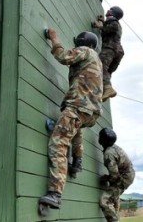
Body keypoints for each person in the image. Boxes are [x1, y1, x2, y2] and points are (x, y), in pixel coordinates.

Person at [39, 28, 103, 209]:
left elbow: (64, 57)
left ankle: (55, 194)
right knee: (75, 129)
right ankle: (78, 162)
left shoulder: (86, 51)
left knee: (58, 144)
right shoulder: (96, 60)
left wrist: (54, 38)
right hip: (89, 112)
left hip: (78, 106)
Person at [98, 128, 135, 222]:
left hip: (124, 178)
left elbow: (115, 176)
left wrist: (106, 179)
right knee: (114, 198)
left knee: (105, 201)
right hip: (128, 175)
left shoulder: (109, 154)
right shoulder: (114, 147)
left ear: (102, 140)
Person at [92, 6, 124, 100]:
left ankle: (108, 89)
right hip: (118, 52)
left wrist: (99, 25)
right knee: (107, 73)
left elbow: (106, 29)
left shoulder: (114, 23)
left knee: (100, 68)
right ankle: (104, 91)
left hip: (110, 50)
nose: (108, 10)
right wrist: (103, 22)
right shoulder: (115, 24)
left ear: (112, 13)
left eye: (111, 9)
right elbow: (108, 28)